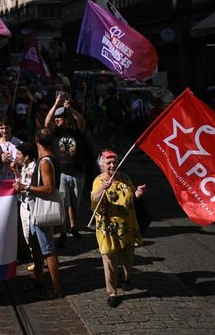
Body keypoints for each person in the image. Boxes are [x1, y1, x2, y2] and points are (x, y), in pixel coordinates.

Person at [91, 150, 146, 308]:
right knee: (110, 261)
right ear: (102, 165)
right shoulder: (98, 180)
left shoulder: (125, 177)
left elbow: (132, 196)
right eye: (109, 163)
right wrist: (102, 188)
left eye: (115, 162)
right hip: (108, 227)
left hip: (127, 225)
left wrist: (138, 193)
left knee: (128, 257)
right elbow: (94, 199)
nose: (113, 165)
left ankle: (126, 278)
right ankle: (112, 292)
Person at [14, 129, 63, 299]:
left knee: (48, 249)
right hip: (34, 209)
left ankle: (56, 288)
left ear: (36, 140)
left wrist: (25, 187)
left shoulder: (45, 162)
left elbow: (49, 188)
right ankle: (39, 279)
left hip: (42, 210)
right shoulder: (47, 159)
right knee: (36, 246)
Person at [45, 93, 89, 246]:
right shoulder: (55, 132)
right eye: (55, 118)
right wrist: (56, 104)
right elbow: (47, 122)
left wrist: (71, 110)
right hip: (62, 173)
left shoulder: (76, 130)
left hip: (78, 172)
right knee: (64, 203)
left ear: (66, 118)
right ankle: (63, 232)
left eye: (59, 118)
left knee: (75, 203)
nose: (56, 120)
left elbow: (81, 121)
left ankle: (73, 227)